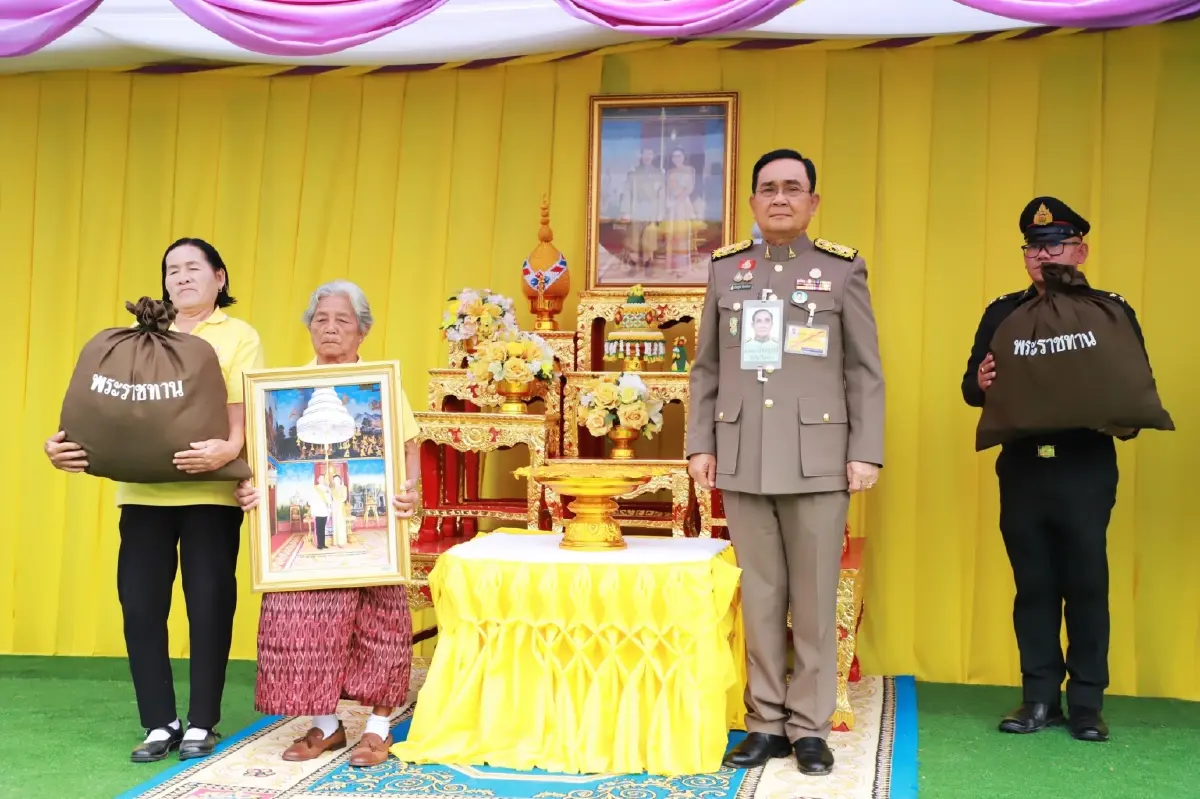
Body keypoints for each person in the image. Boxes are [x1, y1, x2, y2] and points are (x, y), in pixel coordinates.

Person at [686, 149, 885, 776]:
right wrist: (701, 443)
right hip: (744, 455)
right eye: (768, 188)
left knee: (815, 598)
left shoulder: (841, 270)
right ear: (751, 203)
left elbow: (864, 370)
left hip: (820, 458)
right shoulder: (726, 271)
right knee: (762, 597)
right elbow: (708, 368)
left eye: (792, 188)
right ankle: (765, 721)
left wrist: (865, 452)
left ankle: (809, 727)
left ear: (813, 202)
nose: (779, 198)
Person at [44, 238, 264, 763]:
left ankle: (202, 721)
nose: (182, 277)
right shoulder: (140, 337)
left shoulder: (237, 336)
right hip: (141, 493)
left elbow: (243, 408)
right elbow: (105, 408)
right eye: (172, 270)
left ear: (220, 277)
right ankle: (160, 721)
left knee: (208, 604)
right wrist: (63, 445)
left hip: (210, 494)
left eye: (193, 268)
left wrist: (228, 451)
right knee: (140, 606)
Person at [961, 196, 1148, 743]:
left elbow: (1134, 384)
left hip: (1084, 466)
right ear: (1026, 256)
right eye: (1035, 246)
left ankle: (1087, 703)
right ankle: (1039, 697)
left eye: (1057, 244)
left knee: (1086, 581)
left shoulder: (1109, 311)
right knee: (1035, 584)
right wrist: (984, 382)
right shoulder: (1003, 313)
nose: (1046, 254)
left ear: (1081, 250)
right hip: (1022, 466)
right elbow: (971, 387)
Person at [234, 279, 422, 768]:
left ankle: (378, 729)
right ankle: (325, 724)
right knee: (304, 624)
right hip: (310, 527)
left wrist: (410, 491)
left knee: (380, 623)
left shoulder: (379, 383)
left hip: (372, 536)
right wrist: (255, 488)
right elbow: (263, 458)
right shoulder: (282, 389)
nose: (331, 329)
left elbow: (407, 446)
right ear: (309, 328)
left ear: (362, 330)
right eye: (321, 319)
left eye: (342, 320)